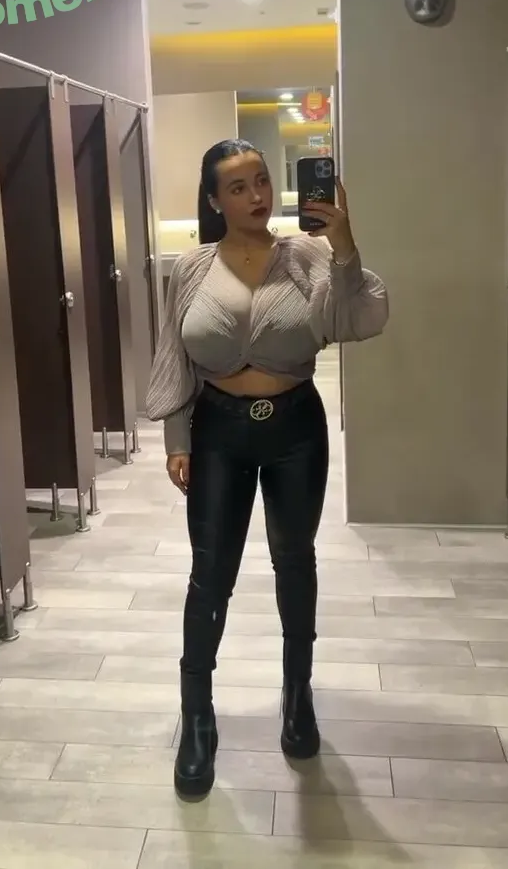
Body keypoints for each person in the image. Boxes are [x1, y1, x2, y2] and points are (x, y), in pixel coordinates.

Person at [146, 139, 388, 798]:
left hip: (295, 430)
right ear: (214, 200)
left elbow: (353, 318)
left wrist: (344, 245)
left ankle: (297, 694)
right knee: (210, 575)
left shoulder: (307, 255)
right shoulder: (192, 267)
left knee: (295, 560)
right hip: (217, 430)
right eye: (238, 186)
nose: (257, 195)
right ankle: (198, 715)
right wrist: (177, 436)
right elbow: (174, 353)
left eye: (261, 181)